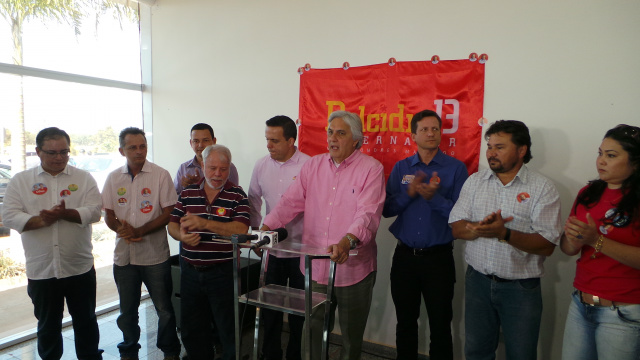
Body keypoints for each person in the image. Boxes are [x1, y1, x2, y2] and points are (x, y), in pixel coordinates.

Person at [261, 110, 386, 360]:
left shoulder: (371, 169)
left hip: (353, 268)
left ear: (356, 139)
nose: (333, 139)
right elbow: (289, 202)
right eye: (330, 132)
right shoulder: (313, 165)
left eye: (341, 133)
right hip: (316, 267)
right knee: (313, 332)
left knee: (351, 338)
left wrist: (346, 241)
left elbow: (368, 215)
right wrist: (266, 228)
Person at [448, 120, 562, 360]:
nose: (491, 153)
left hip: (520, 289)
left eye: (499, 147)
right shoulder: (475, 181)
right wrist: (480, 229)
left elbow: (547, 245)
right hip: (477, 281)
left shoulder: (543, 188)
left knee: (521, 354)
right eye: (489, 147)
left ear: (521, 150)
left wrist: (505, 234)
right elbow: (457, 227)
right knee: (477, 352)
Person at [2, 127, 103, 360]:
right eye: (52, 152)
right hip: (42, 269)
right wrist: (39, 220)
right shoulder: (21, 181)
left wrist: (65, 214)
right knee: (48, 325)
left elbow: (95, 211)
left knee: (86, 321)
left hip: (79, 266)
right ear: (38, 152)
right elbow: (9, 216)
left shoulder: (84, 178)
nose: (59, 157)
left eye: (64, 152)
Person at [382, 109, 468, 360]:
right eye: (425, 129)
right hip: (405, 257)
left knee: (441, 325)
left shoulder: (455, 169)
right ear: (413, 135)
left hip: (438, 260)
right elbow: (386, 209)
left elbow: (462, 216)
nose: (431, 134)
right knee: (405, 322)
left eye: (435, 129)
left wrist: (434, 198)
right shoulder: (401, 168)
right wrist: (407, 195)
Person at [560, 124, 640, 360]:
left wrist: (597, 240)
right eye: (600, 153)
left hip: (623, 312)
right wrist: (574, 240)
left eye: (611, 155)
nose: (601, 161)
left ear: (635, 162)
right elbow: (567, 249)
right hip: (581, 303)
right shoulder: (588, 192)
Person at [102, 127, 181, 360]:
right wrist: (122, 230)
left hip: (154, 255)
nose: (139, 151)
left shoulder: (160, 175)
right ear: (121, 150)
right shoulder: (113, 177)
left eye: (142, 146)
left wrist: (141, 230)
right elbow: (108, 214)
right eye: (132, 147)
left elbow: (169, 212)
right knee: (127, 310)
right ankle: (128, 349)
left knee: (164, 309)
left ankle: (169, 350)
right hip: (124, 256)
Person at [168, 144, 250, 360]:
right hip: (190, 272)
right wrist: (182, 236)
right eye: (212, 168)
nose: (217, 174)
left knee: (227, 327)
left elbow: (240, 229)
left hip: (222, 272)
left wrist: (204, 223)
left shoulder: (237, 195)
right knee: (192, 327)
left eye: (223, 169)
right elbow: (172, 225)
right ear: (203, 165)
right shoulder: (187, 193)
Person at [248, 115, 310, 360]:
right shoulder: (261, 165)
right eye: (267, 139)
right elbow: (253, 203)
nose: (268, 145)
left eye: (274, 140)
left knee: (299, 311)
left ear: (291, 140)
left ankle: (295, 354)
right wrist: (257, 237)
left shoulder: (309, 165)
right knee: (269, 309)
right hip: (272, 251)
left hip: (301, 252)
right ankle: (269, 354)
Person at [174, 123, 240, 194]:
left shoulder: (228, 167)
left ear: (214, 141)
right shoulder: (183, 168)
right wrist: (189, 189)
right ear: (191, 143)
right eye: (196, 141)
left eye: (205, 140)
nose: (200, 145)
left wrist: (203, 185)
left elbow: (234, 195)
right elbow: (175, 197)